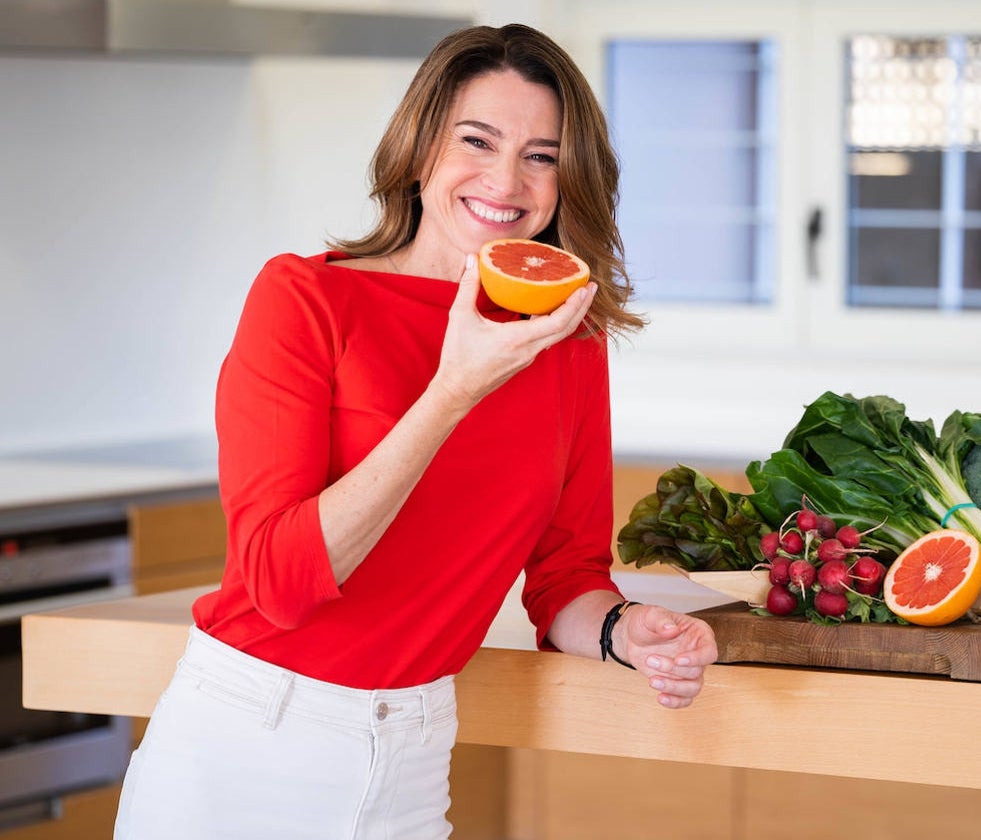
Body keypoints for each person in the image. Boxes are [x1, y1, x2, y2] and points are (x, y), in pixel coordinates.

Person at [113, 22, 718, 840]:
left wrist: (621, 630)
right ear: (422, 146)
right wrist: (452, 390)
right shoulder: (304, 302)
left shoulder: (567, 342)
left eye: (541, 155)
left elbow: (564, 575)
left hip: (413, 758)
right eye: (479, 139)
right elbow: (280, 584)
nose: (507, 180)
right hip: (247, 749)